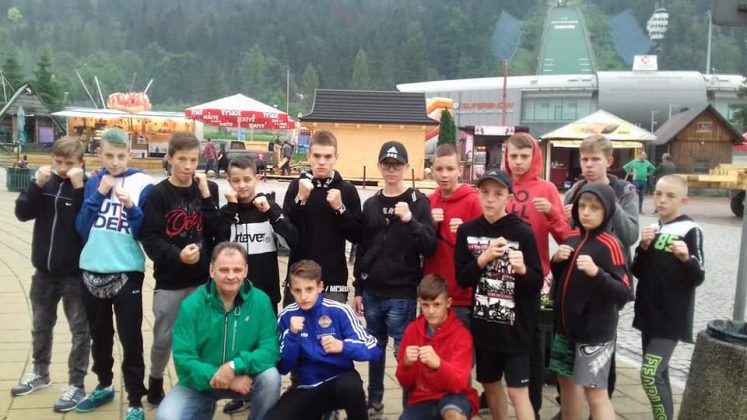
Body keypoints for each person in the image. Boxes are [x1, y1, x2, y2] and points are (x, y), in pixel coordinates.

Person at [353, 140, 437, 418]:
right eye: (387, 164)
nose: (391, 170)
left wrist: (411, 220)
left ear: (406, 167)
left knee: (405, 354)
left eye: (397, 165)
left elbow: (430, 246)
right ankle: (375, 400)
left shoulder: (418, 202)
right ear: (379, 166)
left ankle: (410, 407)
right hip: (372, 291)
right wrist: (358, 288)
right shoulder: (371, 204)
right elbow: (362, 248)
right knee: (375, 350)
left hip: (402, 293)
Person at [74, 128, 154, 420]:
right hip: (92, 268)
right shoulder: (94, 181)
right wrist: (98, 194)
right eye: (109, 155)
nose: (115, 162)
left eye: (121, 156)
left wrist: (131, 207)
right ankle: (104, 384)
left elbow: (143, 232)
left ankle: (134, 399)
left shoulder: (143, 183)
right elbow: (81, 228)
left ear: (130, 154)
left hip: (127, 271)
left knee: (130, 338)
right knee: (99, 335)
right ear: (99, 154)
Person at [155, 242, 281, 420]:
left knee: (270, 378)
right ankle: (204, 408)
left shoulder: (261, 301)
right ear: (211, 270)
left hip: (246, 379)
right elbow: (184, 360)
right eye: (224, 270)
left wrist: (234, 366)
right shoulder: (191, 305)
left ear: (245, 271)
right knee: (167, 417)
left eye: (237, 270)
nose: (231, 276)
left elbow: (270, 350)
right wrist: (222, 377)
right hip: (200, 383)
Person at [559, 135, 638, 414]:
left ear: (609, 161)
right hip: (575, 294)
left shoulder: (624, 190)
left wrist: (609, 203)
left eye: (595, 159)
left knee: (599, 374)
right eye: (585, 159)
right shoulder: (575, 190)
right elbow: (570, 236)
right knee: (567, 374)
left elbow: (631, 235)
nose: (589, 165)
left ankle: (600, 408)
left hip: (607, 285)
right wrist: (566, 218)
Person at [454, 169, 543, 420]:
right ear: (478, 194)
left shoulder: (522, 232)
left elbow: (536, 282)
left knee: (517, 391)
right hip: (485, 326)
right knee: (491, 386)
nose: (490, 199)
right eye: (485, 192)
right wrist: (482, 259)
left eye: (497, 193)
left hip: (516, 329)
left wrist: (523, 270)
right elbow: (462, 278)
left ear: (509, 197)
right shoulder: (467, 231)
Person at [140, 132, 220, 407]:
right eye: (182, 159)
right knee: (164, 337)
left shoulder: (207, 188)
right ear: (170, 158)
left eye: (193, 160)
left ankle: (198, 384)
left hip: (202, 279)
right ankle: (155, 380)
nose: (188, 166)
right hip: (170, 280)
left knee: (202, 337)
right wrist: (177, 256)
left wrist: (207, 196)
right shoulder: (158, 194)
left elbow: (218, 230)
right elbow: (150, 237)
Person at [12, 137, 91, 412]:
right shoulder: (46, 183)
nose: (63, 168)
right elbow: (22, 213)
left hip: (75, 275)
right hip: (43, 272)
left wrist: (79, 189)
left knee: (80, 331)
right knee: (40, 325)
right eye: (58, 162)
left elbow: (83, 225)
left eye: (69, 163)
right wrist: (35, 185)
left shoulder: (87, 187)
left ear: (81, 163)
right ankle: (40, 372)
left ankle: (76, 384)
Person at [550, 183, 632, 420]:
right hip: (565, 329)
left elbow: (624, 292)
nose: (586, 212)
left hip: (594, 334)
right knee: (565, 382)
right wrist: (556, 261)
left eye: (594, 208)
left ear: (607, 211)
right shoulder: (572, 236)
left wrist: (597, 273)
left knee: (595, 393)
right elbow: (563, 279)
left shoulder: (611, 244)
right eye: (582, 206)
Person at [503, 133, 570, 416]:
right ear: (506, 157)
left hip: (533, 278)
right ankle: (494, 395)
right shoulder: (500, 185)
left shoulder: (546, 188)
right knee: (499, 341)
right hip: (499, 278)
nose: (518, 162)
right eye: (513, 156)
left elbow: (566, 237)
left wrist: (553, 213)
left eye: (524, 156)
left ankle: (533, 405)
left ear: (534, 158)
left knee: (532, 344)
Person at [267, 260, 381, 420]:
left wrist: (343, 346)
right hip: (306, 386)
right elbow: (283, 367)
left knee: (351, 387)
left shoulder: (340, 311)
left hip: (338, 381)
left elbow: (374, 349)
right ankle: (324, 414)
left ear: (320, 287)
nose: (303, 296)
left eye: (309, 289)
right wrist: (292, 335)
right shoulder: (287, 316)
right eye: (298, 290)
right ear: (291, 290)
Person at [632, 175, 705, 420]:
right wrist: (642, 247)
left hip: (671, 317)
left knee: (649, 375)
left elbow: (698, 276)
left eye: (670, 196)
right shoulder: (653, 229)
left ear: (684, 200)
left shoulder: (690, 230)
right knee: (659, 375)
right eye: (659, 194)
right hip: (648, 314)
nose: (662, 200)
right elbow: (637, 271)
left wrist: (686, 259)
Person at [282, 130, 362, 305]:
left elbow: (357, 236)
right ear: (309, 156)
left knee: (331, 325)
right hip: (299, 280)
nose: (322, 162)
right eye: (317, 156)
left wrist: (340, 209)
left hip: (333, 282)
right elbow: (284, 232)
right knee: (294, 324)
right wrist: (299, 200)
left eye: (327, 156)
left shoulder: (347, 190)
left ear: (336, 157)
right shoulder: (296, 187)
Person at [219, 156, 300, 311]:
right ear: (228, 181)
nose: (242, 185)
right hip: (233, 295)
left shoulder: (269, 207)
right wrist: (231, 209)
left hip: (266, 294)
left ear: (257, 179)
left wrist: (271, 213)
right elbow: (219, 246)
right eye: (236, 180)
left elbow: (293, 241)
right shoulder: (226, 212)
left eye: (247, 179)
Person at [396, 275, 479, 420]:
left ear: (448, 303)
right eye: (425, 305)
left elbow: (458, 384)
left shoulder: (461, 335)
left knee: (453, 414)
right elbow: (405, 383)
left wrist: (439, 365)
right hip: (422, 398)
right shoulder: (412, 330)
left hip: (455, 396)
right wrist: (406, 364)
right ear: (419, 303)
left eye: (436, 304)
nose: (431, 311)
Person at [423, 144, 482, 328]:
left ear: (460, 170)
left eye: (450, 169)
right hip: (432, 294)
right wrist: (428, 224)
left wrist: (466, 231)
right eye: (439, 169)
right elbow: (419, 243)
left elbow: (485, 245)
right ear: (432, 170)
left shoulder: (474, 201)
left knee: (459, 345)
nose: (444, 175)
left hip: (461, 296)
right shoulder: (428, 201)